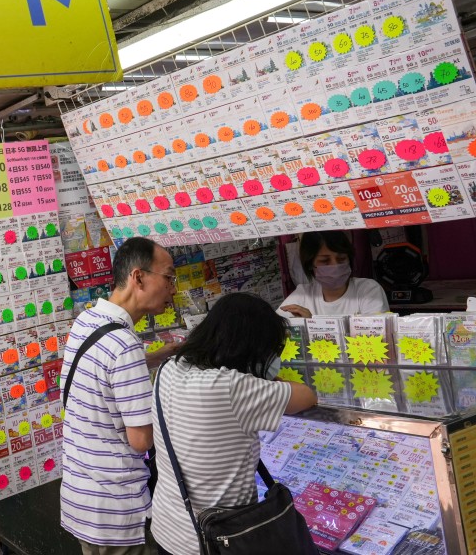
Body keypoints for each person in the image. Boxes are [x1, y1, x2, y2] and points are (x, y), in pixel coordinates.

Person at [149, 294, 318, 555]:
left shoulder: (169, 368)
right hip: (216, 540)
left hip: (168, 529)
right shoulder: (232, 387)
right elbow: (307, 396)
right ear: (250, 347)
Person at [60, 237, 179, 555]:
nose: (173, 289)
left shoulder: (87, 322)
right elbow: (141, 440)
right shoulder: (124, 344)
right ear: (139, 277)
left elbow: (102, 375)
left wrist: (157, 356)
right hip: (115, 510)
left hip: (80, 494)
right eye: (168, 277)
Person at [278, 231, 389, 318]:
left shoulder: (368, 290)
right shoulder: (303, 295)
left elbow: (374, 339)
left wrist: (313, 325)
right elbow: (274, 326)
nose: (335, 265)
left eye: (341, 259)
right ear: (310, 264)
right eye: (325, 261)